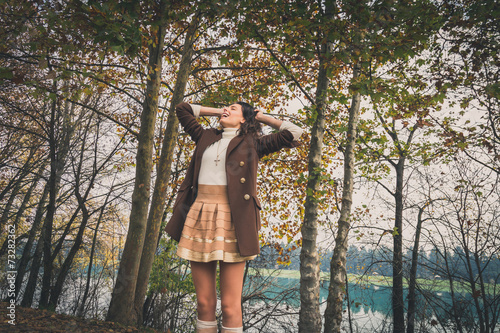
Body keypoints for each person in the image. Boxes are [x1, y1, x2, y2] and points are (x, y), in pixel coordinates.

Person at [164, 101, 303, 333]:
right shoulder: (205, 136)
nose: (226, 109)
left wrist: (262, 117)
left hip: (234, 220)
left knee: (229, 306)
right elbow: (182, 109)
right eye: (225, 107)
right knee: (204, 304)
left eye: (233, 108)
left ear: (244, 119)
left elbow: (295, 133)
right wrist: (220, 111)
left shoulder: (254, 144)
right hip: (200, 215)